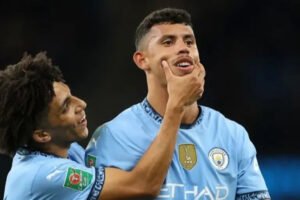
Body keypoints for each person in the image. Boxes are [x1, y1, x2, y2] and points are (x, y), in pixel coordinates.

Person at [86, 8, 271, 200]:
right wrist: (177, 105)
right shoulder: (114, 136)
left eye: (189, 41)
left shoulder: (233, 135)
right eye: (168, 42)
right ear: (142, 60)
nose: (183, 48)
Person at [0, 51, 203, 199]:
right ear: (42, 134)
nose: (82, 104)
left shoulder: (69, 153)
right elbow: (143, 185)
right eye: (66, 107)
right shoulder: (43, 175)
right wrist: (175, 106)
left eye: (72, 96)